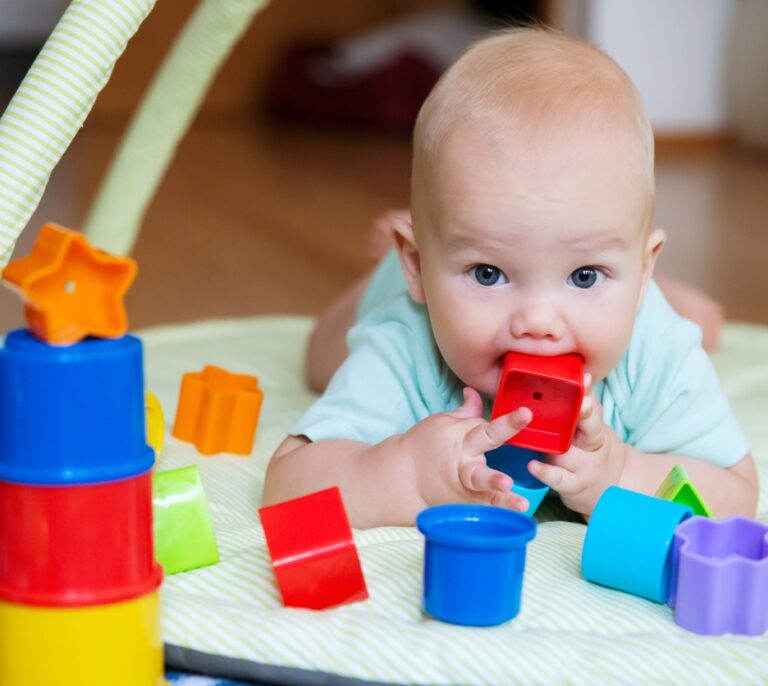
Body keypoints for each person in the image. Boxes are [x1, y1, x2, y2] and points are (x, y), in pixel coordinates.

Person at [262, 28, 757, 529]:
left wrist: (623, 474)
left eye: (585, 275)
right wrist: (409, 474)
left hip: (610, 287)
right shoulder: (406, 344)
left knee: (690, 324)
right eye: (488, 273)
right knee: (320, 357)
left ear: (643, 270)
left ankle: (605, 278)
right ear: (418, 265)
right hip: (399, 290)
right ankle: (389, 269)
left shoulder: (654, 350)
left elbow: (735, 491)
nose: (538, 322)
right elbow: (288, 484)